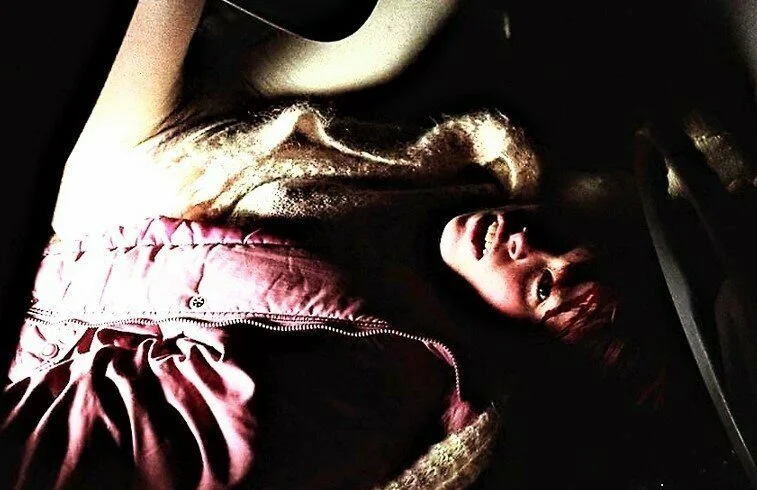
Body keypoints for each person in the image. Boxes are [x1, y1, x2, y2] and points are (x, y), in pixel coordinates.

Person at [1, 0, 713, 489]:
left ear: (521, 340)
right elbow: (654, 180)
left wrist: (157, 239)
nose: (532, 243)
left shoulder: (379, 379)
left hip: (129, 204)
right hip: (245, 137)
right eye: (564, 246)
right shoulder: (478, 215)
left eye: (542, 285)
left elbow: (125, 416)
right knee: (398, 30)